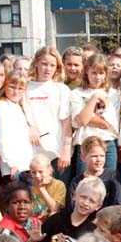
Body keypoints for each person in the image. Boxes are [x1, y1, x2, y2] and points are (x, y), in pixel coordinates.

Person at [28, 175, 104, 242]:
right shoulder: (55, 220)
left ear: (98, 206)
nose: (85, 203)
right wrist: (33, 240)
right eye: (83, 197)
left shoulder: (93, 232)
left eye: (92, 201)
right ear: (75, 195)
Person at [23, 47, 73, 185]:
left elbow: (66, 122)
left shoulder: (61, 89)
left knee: (58, 193)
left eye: (52, 65)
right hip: (33, 152)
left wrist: (66, 150)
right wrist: (29, 127)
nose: (48, 69)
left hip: (57, 152)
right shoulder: (25, 87)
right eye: (44, 64)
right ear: (36, 63)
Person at [70, 53, 120, 174]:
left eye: (101, 73)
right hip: (85, 143)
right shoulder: (77, 93)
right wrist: (94, 98)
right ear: (87, 71)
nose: (97, 77)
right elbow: (80, 121)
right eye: (94, 73)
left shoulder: (112, 94)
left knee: (108, 181)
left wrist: (88, 118)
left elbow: (107, 124)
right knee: (85, 182)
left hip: (107, 143)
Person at [0, 69, 34, 182]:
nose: (16, 92)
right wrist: (11, 164)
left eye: (20, 89)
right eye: (12, 87)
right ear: (5, 86)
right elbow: (0, 138)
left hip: (26, 165)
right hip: (13, 168)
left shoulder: (19, 107)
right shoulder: (2, 106)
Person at [67, 135, 121, 210]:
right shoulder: (76, 182)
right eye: (94, 156)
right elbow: (71, 209)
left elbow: (116, 204)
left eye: (102, 156)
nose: (99, 159)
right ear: (83, 157)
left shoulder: (113, 176)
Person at [28, 153, 66, 220]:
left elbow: (54, 209)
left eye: (41, 172)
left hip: (50, 221)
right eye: (33, 172)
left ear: (49, 170)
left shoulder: (59, 185)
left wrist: (42, 189)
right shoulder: (30, 188)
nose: (37, 176)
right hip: (33, 221)